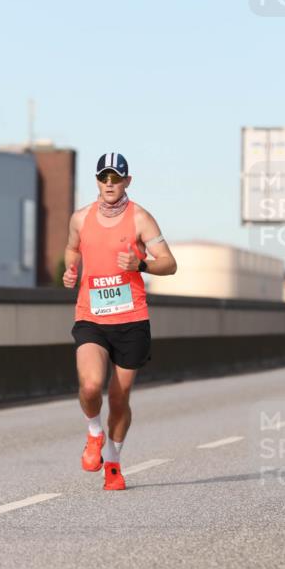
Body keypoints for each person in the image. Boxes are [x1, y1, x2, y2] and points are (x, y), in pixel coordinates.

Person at [63, 153, 177, 490]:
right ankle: (94, 433)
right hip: (91, 317)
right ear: (97, 181)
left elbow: (169, 264)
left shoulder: (141, 218)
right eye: (104, 178)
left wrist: (140, 264)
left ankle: (113, 463)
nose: (109, 184)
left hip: (131, 320)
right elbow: (72, 249)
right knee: (89, 386)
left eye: (116, 178)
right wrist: (71, 269)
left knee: (119, 397)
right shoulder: (81, 219)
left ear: (127, 181)